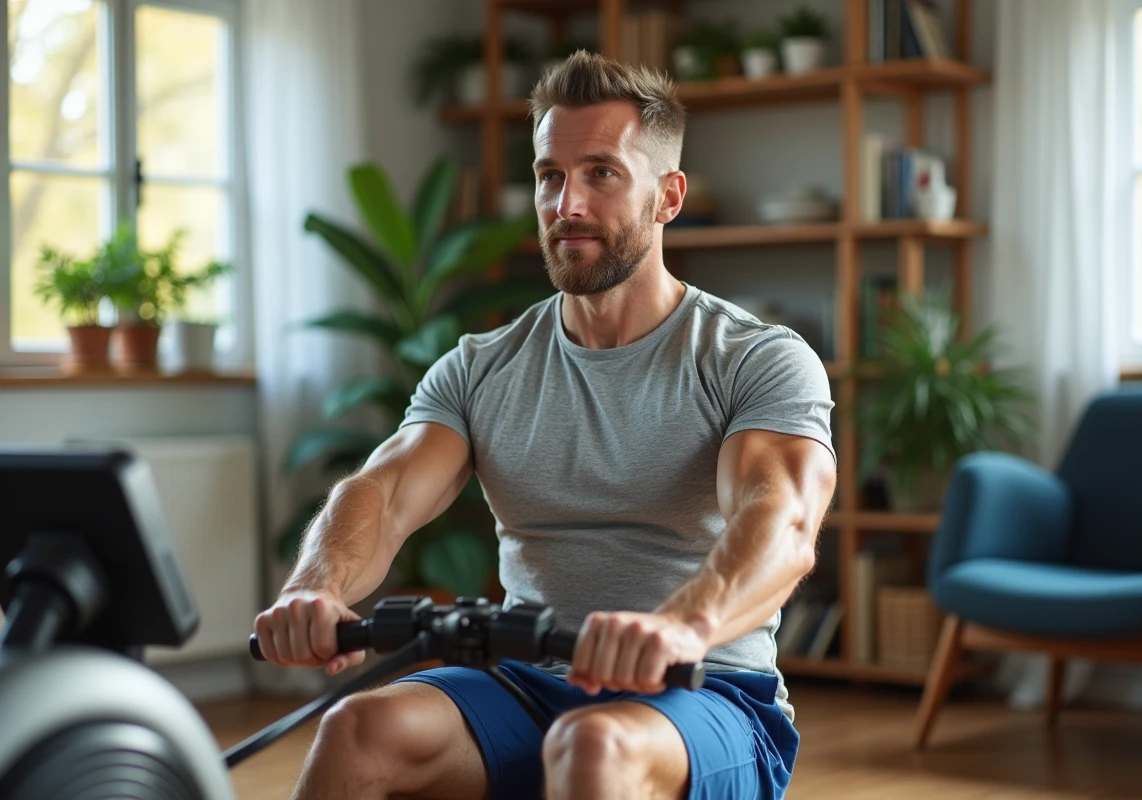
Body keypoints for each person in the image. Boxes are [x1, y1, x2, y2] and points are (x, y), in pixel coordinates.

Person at [254, 50, 837, 800]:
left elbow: (781, 521)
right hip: (526, 680)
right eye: (549, 176)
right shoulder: (482, 365)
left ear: (668, 197)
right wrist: (316, 585)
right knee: (358, 730)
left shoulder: (754, 359)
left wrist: (683, 625)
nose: (567, 204)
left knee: (593, 746)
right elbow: (388, 489)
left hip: (705, 688)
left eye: (601, 173)